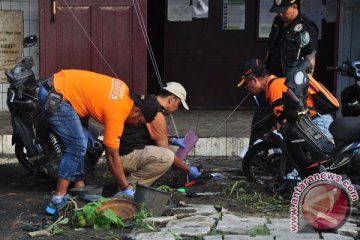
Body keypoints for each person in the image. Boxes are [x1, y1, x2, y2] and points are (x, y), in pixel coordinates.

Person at [38, 69, 160, 215]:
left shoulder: (123, 89)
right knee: (77, 145)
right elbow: (112, 156)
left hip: (57, 84)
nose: (136, 125)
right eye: (139, 122)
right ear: (136, 111)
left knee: (80, 141)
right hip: (56, 97)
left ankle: (79, 187)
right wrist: (126, 188)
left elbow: (92, 95)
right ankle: (58, 198)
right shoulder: (117, 113)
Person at [248, 0, 319, 148]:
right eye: (278, 11)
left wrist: (304, 88)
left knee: (289, 127)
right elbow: (271, 49)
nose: (280, 14)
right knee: (260, 123)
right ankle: (254, 159)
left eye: (284, 10)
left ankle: (287, 164)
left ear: (294, 7)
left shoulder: (306, 26)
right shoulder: (278, 22)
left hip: (291, 88)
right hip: (272, 84)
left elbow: (310, 59)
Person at [118, 82, 202, 188]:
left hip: (124, 148)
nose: (176, 109)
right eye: (178, 105)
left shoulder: (148, 101)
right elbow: (165, 151)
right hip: (123, 156)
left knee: (175, 151)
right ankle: (129, 187)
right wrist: (188, 169)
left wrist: (171, 141)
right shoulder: (156, 114)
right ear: (171, 99)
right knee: (167, 156)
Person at [237, 58, 335, 143]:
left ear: (254, 80)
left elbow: (283, 122)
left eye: (246, 84)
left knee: (272, 144)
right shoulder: (276, 83)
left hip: (318, 125)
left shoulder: (274, 88)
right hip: (317, 123)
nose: (246, 88)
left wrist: (266, 137)